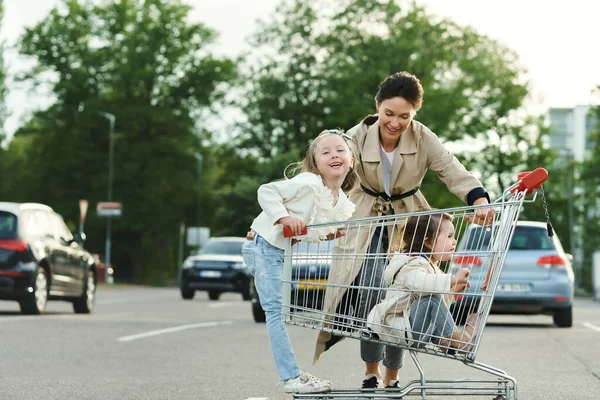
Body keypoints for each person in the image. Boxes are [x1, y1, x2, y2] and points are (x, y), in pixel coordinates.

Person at [314, 71, 494, 388]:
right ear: (377, 107)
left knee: (404, 297)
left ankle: (393, 375)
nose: (395, 123)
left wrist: (478, 199)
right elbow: (329, 173)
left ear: (414, 114)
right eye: (388, 114)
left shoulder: (423, 137)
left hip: (407, 222)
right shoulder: (355, 136)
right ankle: (371, 372)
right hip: (365, 221)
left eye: (404, 116)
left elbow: (450, 168)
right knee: (371, 295)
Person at [241, 129, 358, 394]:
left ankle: (293, 374)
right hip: (265, 246)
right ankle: (291, 377)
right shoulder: (309, 183)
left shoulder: (340, 202)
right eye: (325, 152)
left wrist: (329, 233)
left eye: (340, 150)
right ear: (315, 162)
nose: (334, 155)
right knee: (275, 312)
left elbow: (311, 228)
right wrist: (283, 218)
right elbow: (267, 191)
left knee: (279, 308)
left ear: (351, 159)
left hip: (278, 250)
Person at [365, 212, 482, 387]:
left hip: (412, 325)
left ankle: (444, 340)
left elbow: (437, 306)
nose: (454, 241)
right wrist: (450, 280)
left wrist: (451, 290)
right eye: (449, 236)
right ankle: (458, 341)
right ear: (427, 242)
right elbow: (420, 283)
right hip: (399, 323)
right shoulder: (413, 263)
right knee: (432, 299)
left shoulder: (430, 266)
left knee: (434, 300)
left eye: (454, 236)